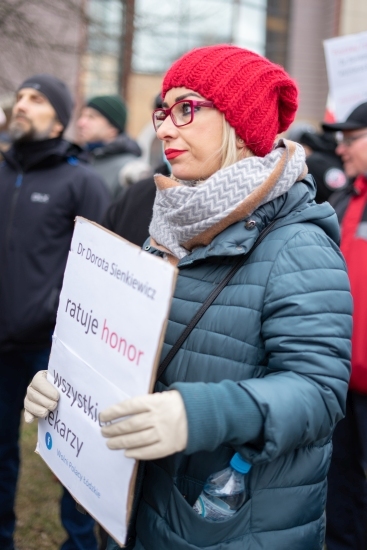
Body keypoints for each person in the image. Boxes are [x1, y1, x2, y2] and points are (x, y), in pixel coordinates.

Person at [24, 46, 352, 550]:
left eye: (186, 108)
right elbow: (125, 352)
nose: (163, 128)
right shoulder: (171, 226)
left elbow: (318, 392)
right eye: (163, 111)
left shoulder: (298, 243)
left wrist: (195, 415)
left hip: (232, 529)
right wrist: (68, 386)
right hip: (142, 511)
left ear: (240, 125)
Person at [0, 74, 110, 550]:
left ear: (60, 120)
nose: (21, 105)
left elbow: (99, 268)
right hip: (1, 347)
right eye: (20, 97)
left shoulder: (82, 181)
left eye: (36, 99)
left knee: (70, 456)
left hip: (54, 346)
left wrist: (55, 315)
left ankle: (80, 544)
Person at [321, 102, 367, 550]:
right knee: (340, 494)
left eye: (352, 139)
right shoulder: (342, 200)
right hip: (339, 383)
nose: (342, 149)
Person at [77, 95, 141, 198]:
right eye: (82, 116)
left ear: (113, 128)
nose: (81, 123)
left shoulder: (129, 169)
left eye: (91, 117)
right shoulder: (80, 158)